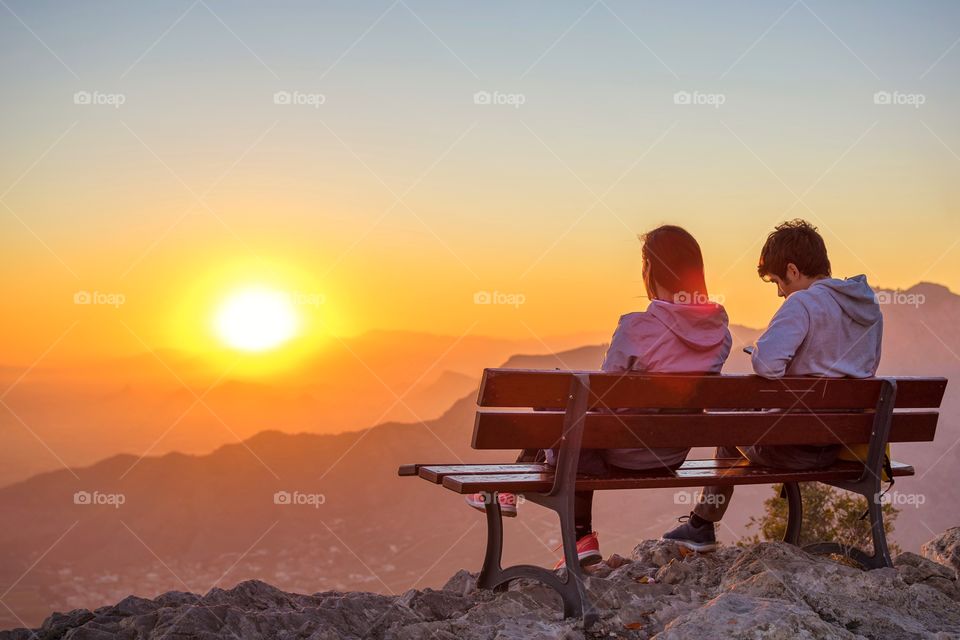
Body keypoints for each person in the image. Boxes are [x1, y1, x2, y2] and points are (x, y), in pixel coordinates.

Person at [466, 225, 732, 567]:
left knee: (567, 401)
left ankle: (570, 528)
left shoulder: (638, 327)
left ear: (649, 270)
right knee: (578, 414)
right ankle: (554, 517)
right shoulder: (719, 331)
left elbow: (605, 398)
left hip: (621, 452)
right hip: (671, 454)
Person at [662, 219, 883, 552]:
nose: (780, 292)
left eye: (779, 282)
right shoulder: (868, 308)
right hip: (843, 445)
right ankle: (700, 526)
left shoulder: (803, 303)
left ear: (793, 271)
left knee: (728, 428)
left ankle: (700, 526)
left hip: (795, 448)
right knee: (741, 422)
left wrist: (761, 349)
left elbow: (767, 365)